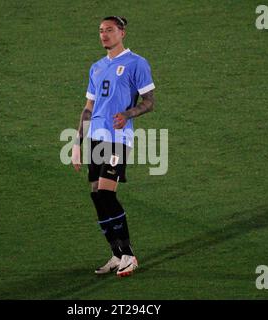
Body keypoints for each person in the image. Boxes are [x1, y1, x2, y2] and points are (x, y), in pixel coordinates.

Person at [71, 16, 155, 277]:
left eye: (109, 30)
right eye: (100, 31)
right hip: (96, 137)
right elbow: (88, 109)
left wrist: (128, 114)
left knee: (107, 193)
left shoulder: (136, 63)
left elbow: (149, 101)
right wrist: (77, 144)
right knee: (96, 195)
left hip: (118, 138)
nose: (104, 35)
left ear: (122, 32)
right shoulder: (96, 68)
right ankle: (116, 254)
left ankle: (129, 254)